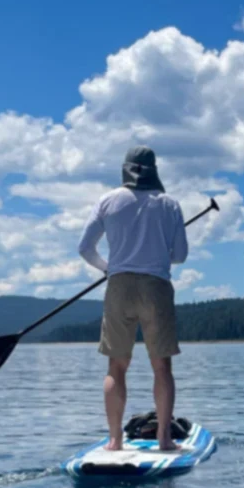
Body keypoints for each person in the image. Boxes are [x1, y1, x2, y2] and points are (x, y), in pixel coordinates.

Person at [78, 146, 188, 451]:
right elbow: (180, 255)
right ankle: (164, 439)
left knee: (116, 366)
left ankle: (115, 441)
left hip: (119, 286)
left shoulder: (107, 200)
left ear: (126, 169)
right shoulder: (170, 205)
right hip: (156, 286)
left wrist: (108, 268)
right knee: (161, 366)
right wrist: (158, 252)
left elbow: (85, 248)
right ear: (154, 170)